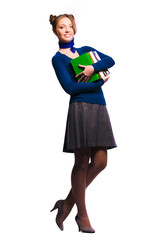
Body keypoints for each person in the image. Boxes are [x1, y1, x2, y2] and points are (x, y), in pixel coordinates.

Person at [49, 13, 117, 233]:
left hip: (99, 106)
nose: (67, 30)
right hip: (80, 107)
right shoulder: (58, 59)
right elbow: (69, 87)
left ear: (74, 29)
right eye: (62, 27)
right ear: (55, 31)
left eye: (70, 26)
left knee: (101, 162)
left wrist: (91, 69)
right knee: (82, 161)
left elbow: (110, 60)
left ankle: (66, 204)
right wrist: (97, 81)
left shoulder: (86, 51)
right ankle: (82, 214)